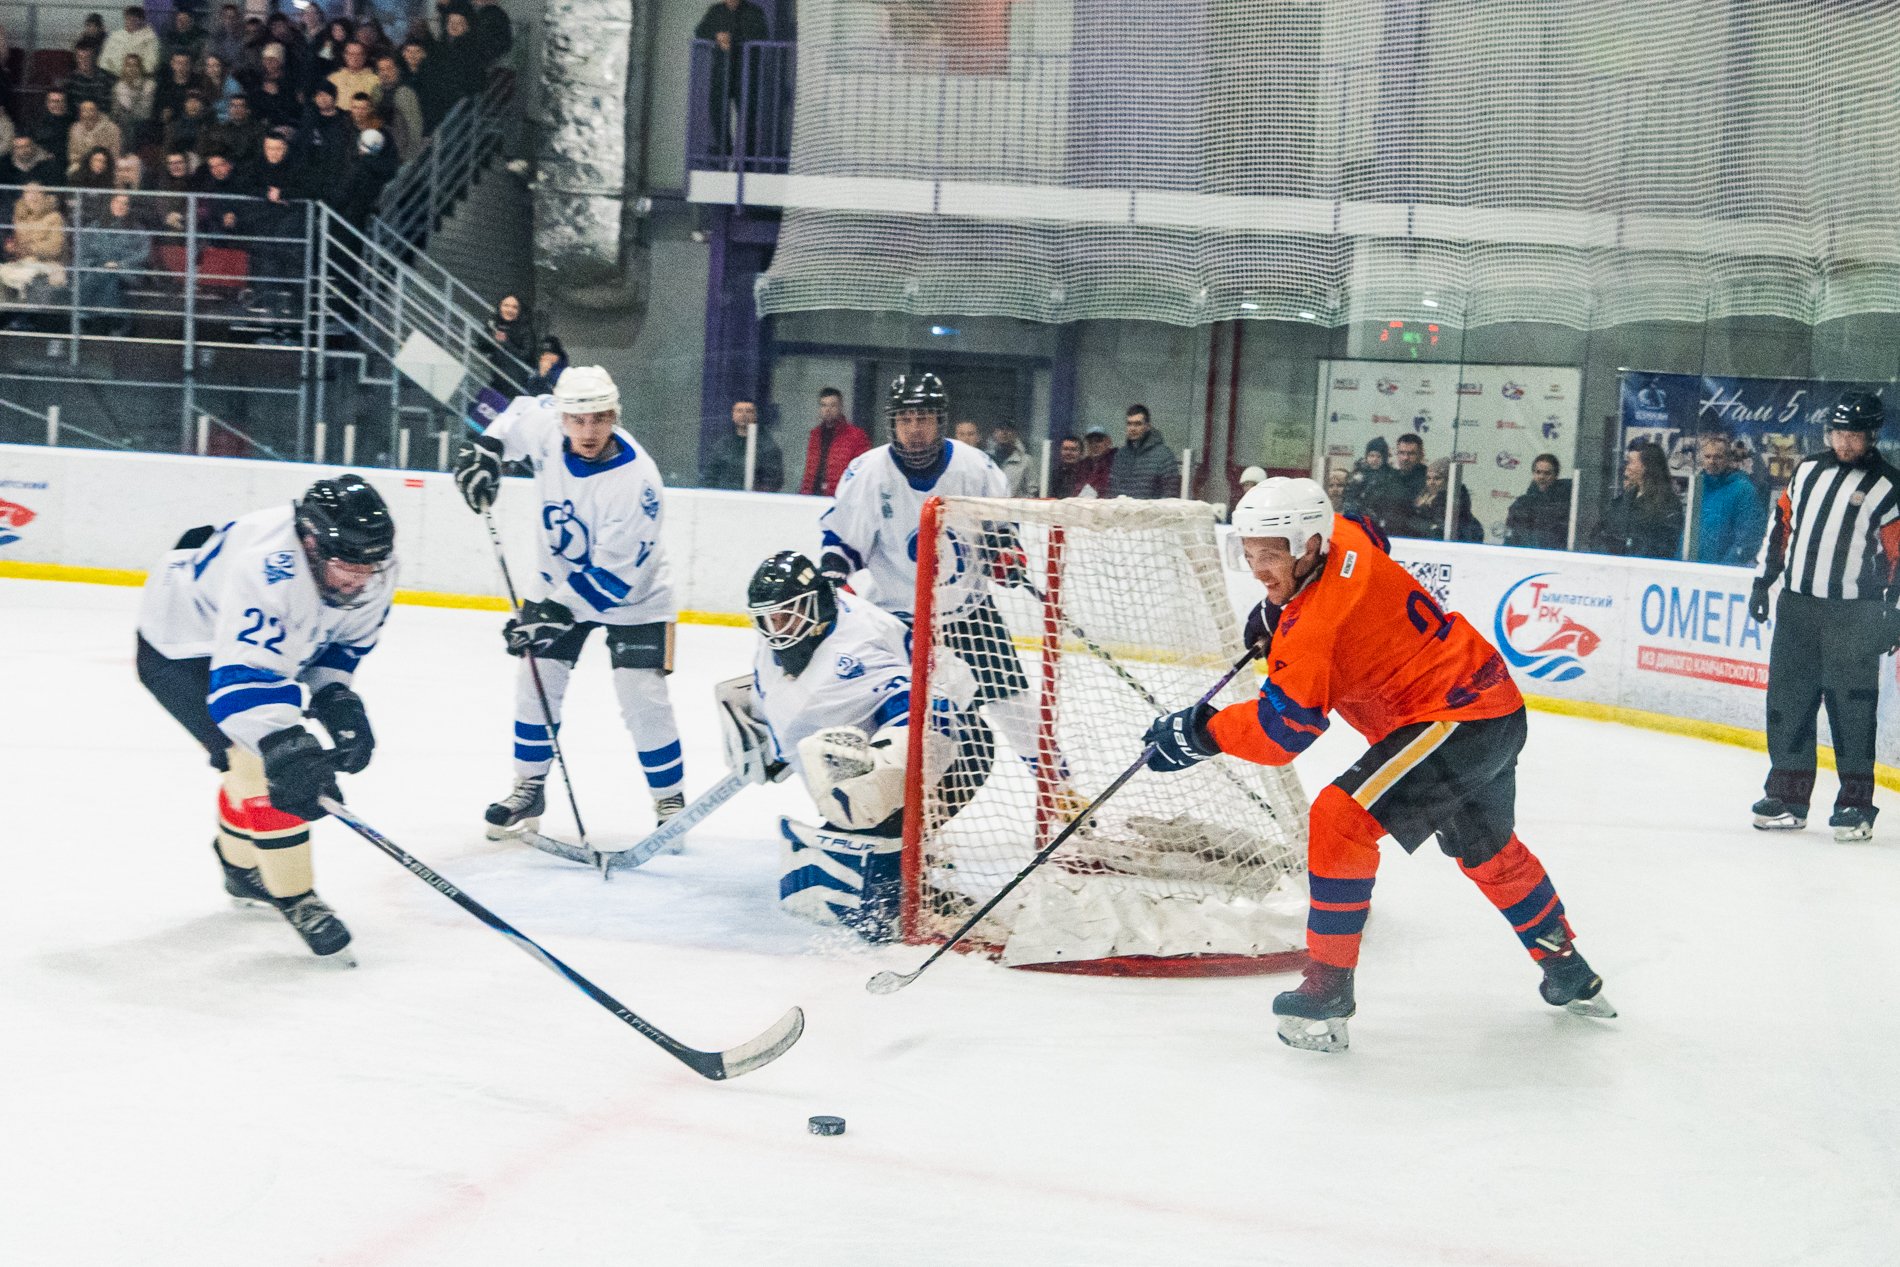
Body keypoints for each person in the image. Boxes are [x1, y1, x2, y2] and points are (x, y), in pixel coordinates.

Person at [1140, 477, 1612, 1052]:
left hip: (1452, 718)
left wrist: (1200, 733)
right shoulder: (1343, 534)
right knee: (1488, 849)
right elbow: (1371, 532)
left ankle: (1327, 988)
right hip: (1495, 706)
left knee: (1339, 820)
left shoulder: (1315, 629)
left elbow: (1282, 733)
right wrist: (1275, 607)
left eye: (1272, 555)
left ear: (1310, 545)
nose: (1259, 568)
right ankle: (1569, 970)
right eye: (1251, 554)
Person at [133, 474, 397, 962]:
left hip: (231, 629)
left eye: (370, 568)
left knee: (250, 764)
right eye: (348, 568)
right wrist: (287, 750)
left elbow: (337, 646)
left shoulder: (369, 561)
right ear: (311, 544)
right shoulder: (267, 568)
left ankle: (239, 869)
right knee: (259, 762)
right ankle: (297, 896)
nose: (360, 580)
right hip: (180, 645)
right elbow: (244, 684)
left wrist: (337, 699)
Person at [819, 373, 1078, 811]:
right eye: (905, 419)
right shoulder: (868, 472)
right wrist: (833, 575)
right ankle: (862, 802)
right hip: (897, 618)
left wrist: (1005, 557)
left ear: (939, 421)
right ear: (892, 423)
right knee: (886, 710)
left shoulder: (976, 468)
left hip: (969, 612)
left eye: (923, 418)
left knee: (1014, 705)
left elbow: (1000, 531)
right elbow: (844, 544)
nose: (914, 429)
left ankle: (1062, 792)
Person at [452, 366, 690, 836]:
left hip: (635, 596)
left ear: (615, 416)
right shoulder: (546, 424)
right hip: (555, 581)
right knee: (535, 681)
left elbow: (615, 577)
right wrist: (485, 451)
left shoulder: (637, 482)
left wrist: (554, 613)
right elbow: (512, 417)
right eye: (578, 420)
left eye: (599, 419)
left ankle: (670, 799)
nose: (588, 431)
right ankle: (528, 787)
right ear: (561, 418)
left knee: (641, 697)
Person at [725, 551, 992, 937]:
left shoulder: (858, 650)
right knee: (847, 805)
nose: (775, 629)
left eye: (784, 617)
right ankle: (895, 846)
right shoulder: (798, 632)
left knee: (867, 834)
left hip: (959, 744)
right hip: (897, 731)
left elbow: (923, 714)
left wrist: (879, 774)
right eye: (768, 618)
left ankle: (911, 879)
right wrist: (774, 741)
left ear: (814, 606)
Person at [1749, 393, 1900, 842]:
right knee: (1787, 705)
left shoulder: (1889, 486)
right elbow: (1781, 528)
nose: (1844, 442)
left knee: (1852, 709)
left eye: (1854, 435)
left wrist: (1894, 614)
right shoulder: (1807, 471)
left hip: (1855, 615)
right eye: (1838, 433)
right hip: (1797, 608)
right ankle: (1787, 798)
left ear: (1872, 436)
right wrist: (1762, 581)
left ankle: (1855, 805)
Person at [694, 0, 770, 157]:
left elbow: (762, 34)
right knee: (717, 111)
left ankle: (746, 159)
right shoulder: (716, 11)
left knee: (748, 116)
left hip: (746, 73)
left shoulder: (754, 12)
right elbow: (700, 30)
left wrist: (731, 39)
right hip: (721, 73)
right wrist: (716, 36)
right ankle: (725, 152)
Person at [1592, 441, 1682, 559]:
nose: (1626, 467)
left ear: (1647, 466)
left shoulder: (1668, 504)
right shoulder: (1623, 500)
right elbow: (1599, 532)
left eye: (1630, 462)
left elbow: (1664, 547)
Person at [74, 190, 148, 327]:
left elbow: (143, 254)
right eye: (117, 202)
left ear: (130, 207)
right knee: (102, 275)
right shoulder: (95, 227)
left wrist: (120, 264)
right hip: (98, 269)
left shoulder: (138, 230)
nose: (120, 206)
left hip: (127, 271)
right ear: (110, 203)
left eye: (125, 203)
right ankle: (112, 318)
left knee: (109, 275)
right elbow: (83, 251)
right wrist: (98, 265)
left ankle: (91, 315)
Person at [1694, 430, 1768, 567]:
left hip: (1721, 572)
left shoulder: (1743, 490)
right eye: (1707, 456)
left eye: (1718, 457)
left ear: (1728, 459)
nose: (1712, 461)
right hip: (1691, 568)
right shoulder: (1697, 487)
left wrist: (1726, 567)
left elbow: (1749, 537)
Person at [798, 385, 869, 497]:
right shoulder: (815, 435)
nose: (828, 410)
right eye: (824, 405)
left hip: (839, 497)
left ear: (840, 407)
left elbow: (862, 471)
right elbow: (810, 470)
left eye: (833, 405)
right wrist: (804, 494)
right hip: (813, 496)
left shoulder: (856, 436)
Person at [702, 398, 784, 491]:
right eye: (739, 411)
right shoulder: (722, 445)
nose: (744, 415)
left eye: (749, 411)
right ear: (733, 415)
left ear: (755, 416)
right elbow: (709, 476)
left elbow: (773, 481)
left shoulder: (768, 447)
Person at [0, 183, 65, 300]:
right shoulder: (18, 217)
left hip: (47, 264)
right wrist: (11, 247)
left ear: (44, 195)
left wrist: (30, 249)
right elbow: (13, 242)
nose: (33, 196)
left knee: (31, 277)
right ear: (23, 196)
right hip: (21, 262)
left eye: (37, 192)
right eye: (29, 192)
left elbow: (55, 247)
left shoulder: (55, 217)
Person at [1396, 457, 1483, 542]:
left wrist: (1421, 511)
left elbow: (1439, 531)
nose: (1431, 483)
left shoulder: (1451, 503)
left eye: (1437, 478)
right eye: (1428, 478)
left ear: (1448, 481)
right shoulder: (1422, 495)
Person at [1108, 404, 1177, 498]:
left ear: (1148, 426)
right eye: (1129, 424)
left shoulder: (1164, 456)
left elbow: (1170, 495)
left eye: (1137, 424)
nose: (1132, 428)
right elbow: (1112, 491)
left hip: (1151, 507)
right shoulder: (1120, 455)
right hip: (1122, 507)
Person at [1503, 453, 1570, 550]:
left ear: (1555, 475)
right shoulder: (1521, 504)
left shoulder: (1564, 505)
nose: (1541, 477)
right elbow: (1510, 537)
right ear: (1533, 473)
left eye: (1547, 473)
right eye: (1538, 472)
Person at [375, 52, 422, 162]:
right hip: (380, 153)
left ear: (397, 70)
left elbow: (415, 127)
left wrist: (410, 157)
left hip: (399, 154)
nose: (385, 73)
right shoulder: (376, 91)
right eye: (381, 69)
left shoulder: (404, 93)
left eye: (389, 69)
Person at [102, 7, 161, 90]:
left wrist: (131, 75)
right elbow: (104, 61)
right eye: (128, 19)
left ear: (141, 20)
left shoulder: (150, 38)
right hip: (113, 78)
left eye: (134, 19)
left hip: (141, 81)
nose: (130, 22)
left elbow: (151, 64)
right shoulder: (115, 36)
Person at [111, 52, 156, 144]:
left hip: (144, 123)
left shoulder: (149, 85)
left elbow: (145, 110)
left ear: (140, 68)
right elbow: (116, 111)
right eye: (129, 65)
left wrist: (135, 89)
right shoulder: (119, 86)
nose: (131, 69)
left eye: (135, 65)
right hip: (124, 125)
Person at [62, 45, 118, 111]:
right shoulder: (69, 81)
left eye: (88, 57)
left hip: (103, 116)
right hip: (79, 116)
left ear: (94, 58)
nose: (84, 61)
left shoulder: (108, 78)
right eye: (80, 57)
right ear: (75, 59)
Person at [987, 421, 1035, 497]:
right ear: (994, 433)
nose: (1004, 433)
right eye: (1001, 429)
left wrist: (1018, 502)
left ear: (1015, 434)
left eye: (1008, 429)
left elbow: (1032, 492)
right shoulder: (985, 458)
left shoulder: (1025, 461)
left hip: (1014, 504)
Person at [328, 40, 379, 108]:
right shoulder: (333, 79)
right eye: (351, 54)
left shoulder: (376, 80)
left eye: (359, 54)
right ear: (344, 55)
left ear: (365, 56)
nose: (355, 58)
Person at [1077, 425, 1114, 494]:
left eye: (1098, 440)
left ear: (1108, 442)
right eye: (1090, 442)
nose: (1094, 445)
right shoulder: (1083, 465)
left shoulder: (1116, 460)